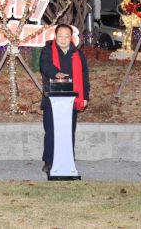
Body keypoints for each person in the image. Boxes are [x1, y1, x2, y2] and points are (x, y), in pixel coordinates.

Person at [39, 23, 90, 173]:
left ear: (71, 37)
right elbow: (44, 66)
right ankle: (49, 161)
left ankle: (68, 161)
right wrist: (56, 73)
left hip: (71, 100)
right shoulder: (48, 50)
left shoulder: (78, 54)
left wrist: (85, 96)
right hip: (52, 98)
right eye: (60, 36)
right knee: (51, 130)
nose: (63, 39)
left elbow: (85, 76)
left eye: (66, 36)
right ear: (55, 37)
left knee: (69, 131)